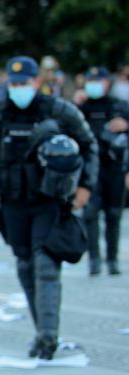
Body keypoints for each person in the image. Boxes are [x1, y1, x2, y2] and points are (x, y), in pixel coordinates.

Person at [0, 56, 98, 360]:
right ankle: (41, 331)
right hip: (12, 203)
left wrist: (86, 184)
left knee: (46, 265)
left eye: (25, 83)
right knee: (25, 265)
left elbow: (88, 145)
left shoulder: (58, 111)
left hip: (48, 200)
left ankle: (49, 336)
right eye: (14, 83)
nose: (19, 88)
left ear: (37, 82)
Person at [77, 66, 129, 275]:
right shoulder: (81, 107)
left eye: (98, 81)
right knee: (90, 214)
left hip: (114, 167)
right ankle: (94, 259)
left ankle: (112, 259)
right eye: (91, 80)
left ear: (107, 83)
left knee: (113, 215)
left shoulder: (120, 106)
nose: (95, 85)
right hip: (90, 168)